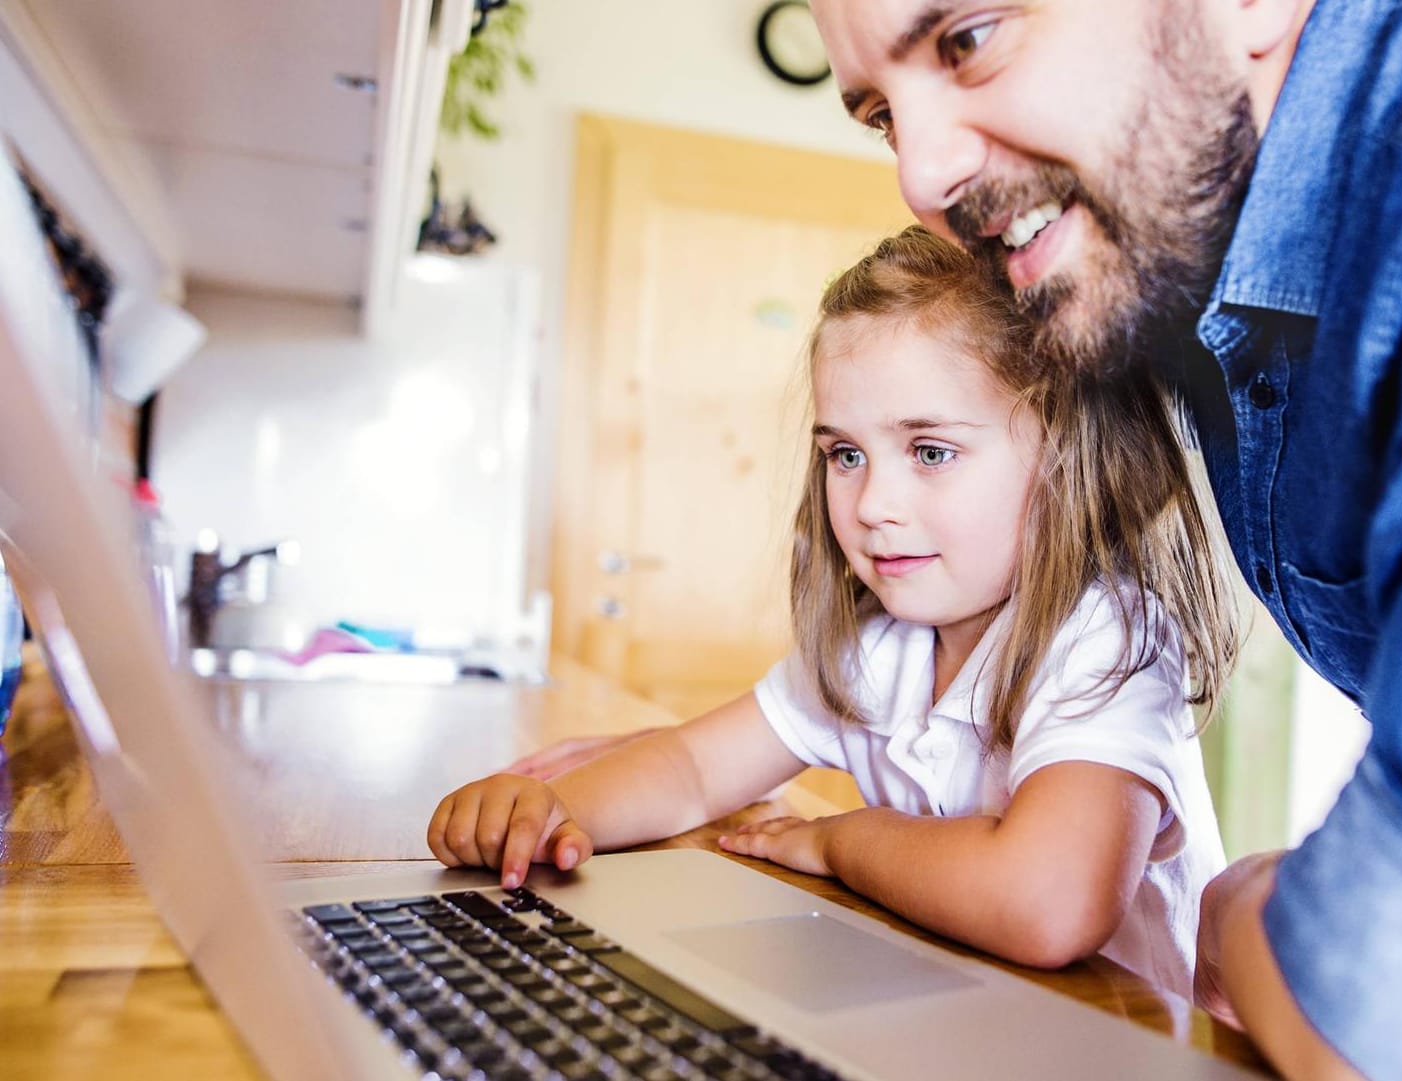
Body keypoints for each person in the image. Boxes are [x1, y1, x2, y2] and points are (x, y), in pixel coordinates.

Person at [805, 0, 1402, 1077]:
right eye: (878, 115)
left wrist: (1246, 911)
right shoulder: (1190, 269)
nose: (919, 176)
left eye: (969, 38)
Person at [430, 226, 1239, 996]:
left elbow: (1048, 904)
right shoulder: (873, 652)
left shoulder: (1107, 637)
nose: (873, 502)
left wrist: (840, 838)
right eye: (844, 454)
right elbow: (691, 768)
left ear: (1071, 456)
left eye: (929, 451)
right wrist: (552, 810)